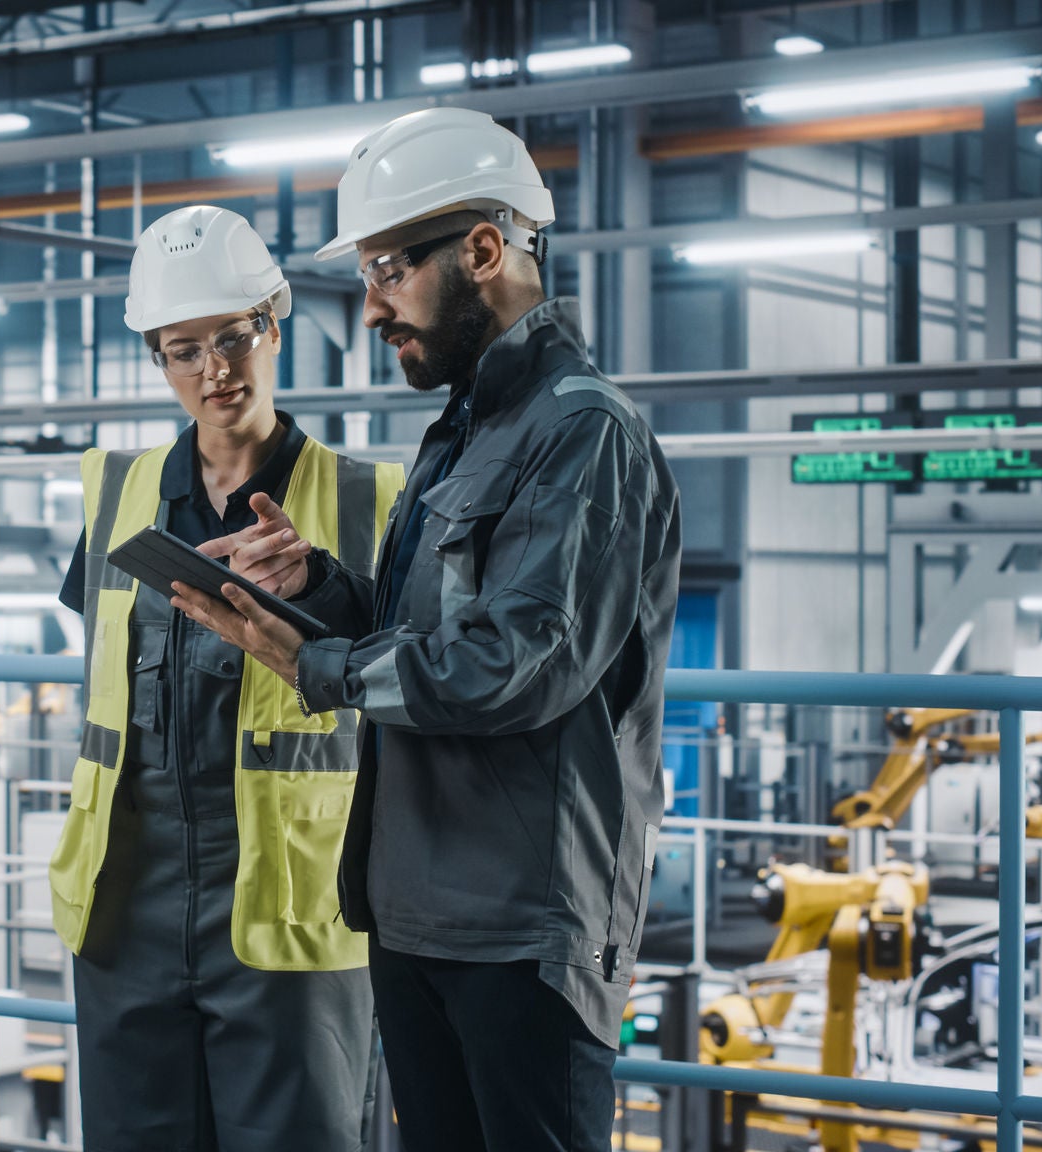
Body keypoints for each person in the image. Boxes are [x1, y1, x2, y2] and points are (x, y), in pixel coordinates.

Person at [168, 108, 683, 1152]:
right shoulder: (461, 431)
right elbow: (430, 626)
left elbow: (515, 666)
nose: (369, 309)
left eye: (387, 270)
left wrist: (316, 665)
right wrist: (313, 585)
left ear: (483, 252)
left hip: (520, 925)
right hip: (413, 908)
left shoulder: (582, 431)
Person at [48, 203, 406, 1152]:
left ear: (274, 325)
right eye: (183, 348)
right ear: (158, 361)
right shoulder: (114, 494)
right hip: (128, 903)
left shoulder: (372, 501)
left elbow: (419, 673)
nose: (214, 368)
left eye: (234, 336)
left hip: (288, 905)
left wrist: (324, 587)